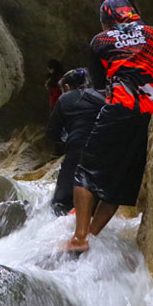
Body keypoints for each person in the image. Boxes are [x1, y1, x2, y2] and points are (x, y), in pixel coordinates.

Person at [66, 0, 153, 253]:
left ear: (107, 20)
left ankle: (79, 238)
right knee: (121, 182)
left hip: (118, 110)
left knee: (85, 173)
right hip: (149, 116)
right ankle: (92, 235)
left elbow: (100, 85)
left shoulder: (101, 41)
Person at [47, 68, 105, 215]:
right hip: (102, 150)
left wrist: (64, 141)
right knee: (94, 198)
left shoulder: (64, 99)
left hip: (76, 148)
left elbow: (52, 132)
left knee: (61, 203)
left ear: (66, 87)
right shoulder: (101, 97)